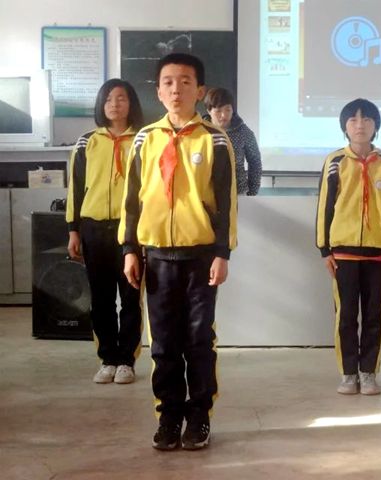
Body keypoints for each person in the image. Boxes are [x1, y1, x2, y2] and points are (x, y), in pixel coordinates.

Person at [118, 53, 237, 451]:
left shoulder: (214, 139)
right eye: (168, 82)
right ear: (158, 91)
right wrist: (130, 249)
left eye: (185, 82)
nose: (176, 89)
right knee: (164, 343)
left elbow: (226, 201)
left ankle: (199, 415)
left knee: (199, 339)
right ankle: (168, 416)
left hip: (200, 257)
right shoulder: (144, 139)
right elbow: (131, 201)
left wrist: (223, 252)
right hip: (156, 258)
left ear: (199, 91)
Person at [316, 98, 381, 396]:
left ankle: (368, 373)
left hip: (379, 252)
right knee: (346, 315)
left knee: (373, 315)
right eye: (353, 120)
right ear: (344, 126)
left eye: (366, 119)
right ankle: (348, 374)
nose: (360, 125)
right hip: (343, 251)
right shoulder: (335, 162)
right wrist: (324, 249)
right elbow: (325, 206)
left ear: (375, 125)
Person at [66, 78, 144, 385]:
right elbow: (75, 188)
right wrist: (73, 230)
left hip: (131, 232)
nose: (115, 104)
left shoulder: (143, 140)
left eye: (121, 98)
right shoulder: (87, 142)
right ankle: (107, 358)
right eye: (109, 99)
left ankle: (127, 360)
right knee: (101, 299)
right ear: (101, 104)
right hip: (93, 229)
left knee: (130, 297)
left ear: (131, 103)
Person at [204, 87, 262, 195]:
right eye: (218, 111)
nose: (224, 115)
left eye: (228, 110)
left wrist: (252, 192)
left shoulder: (243, 132)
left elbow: (255, 162)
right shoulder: (200, 131)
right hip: (207, 193)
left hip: (237, 192)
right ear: (209, 111)